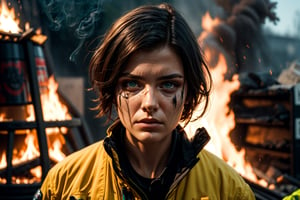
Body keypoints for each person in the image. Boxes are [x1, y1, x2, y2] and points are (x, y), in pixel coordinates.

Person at [36, 3, 255, 199]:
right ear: (112, 88)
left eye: (168, 85)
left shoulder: (228, 190)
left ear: (188, 92)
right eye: (132, 84)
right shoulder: (64, 185)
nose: (149, 102)